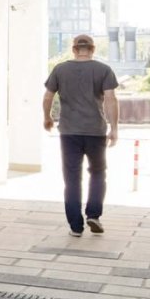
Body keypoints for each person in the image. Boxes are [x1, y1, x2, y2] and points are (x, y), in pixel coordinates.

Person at [43, 33, 119, 237]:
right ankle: (93, 214)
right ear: (92, 49)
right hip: (95, 131)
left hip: (69, 132)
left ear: (74, 49)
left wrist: (47, 117)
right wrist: (114, 128)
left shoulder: (60, 69)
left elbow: (48, 96)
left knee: (72, 178)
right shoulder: (103, 70)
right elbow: (111, 99)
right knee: (98, 173)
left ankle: (76, 227)